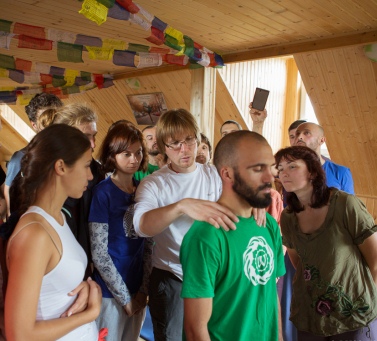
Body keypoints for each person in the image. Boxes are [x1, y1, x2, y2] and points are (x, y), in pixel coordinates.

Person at [134, 108, 266, 340]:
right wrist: (181, 206)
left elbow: (248, 189)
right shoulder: (153, 184)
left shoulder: (214, 174)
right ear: (164, 146)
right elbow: (142, 226)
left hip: (213, 277)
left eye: (189, 141)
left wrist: (256, 201)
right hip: (173, 276)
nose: (184, 150)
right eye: (175, 144)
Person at [181, 131, 286, 341]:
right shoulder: (206, 236)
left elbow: (269, 295)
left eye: (270, 167)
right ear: (227, 174)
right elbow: (195, 330)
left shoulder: (268, 225)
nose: (270, 178)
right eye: (257, 169)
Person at [5, 124, 102, 340]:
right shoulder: (35, 234)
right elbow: (20, 334)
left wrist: (87, 287)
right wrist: (90, 314)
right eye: (86, 166)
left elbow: (55, 281)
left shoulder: (58, 218)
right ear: (61, 167)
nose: (89, 176)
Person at [275, 145, 377, 340]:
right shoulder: (288, 217)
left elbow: (375, 260)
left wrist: (364, 302)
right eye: (279, 169)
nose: (283, 173)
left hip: (353, 316)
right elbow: (300, 263)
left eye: (292, 167)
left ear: (313, 171)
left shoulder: (345, 205)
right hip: (309, 315)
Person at [89, 121, 153, 341]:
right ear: (113, 154)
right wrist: (125, 298)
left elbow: (149, 245)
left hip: (138, 290)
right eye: (126, 154)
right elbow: (99, 253)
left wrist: (143, 291)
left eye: (138, 153)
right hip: (110, 294)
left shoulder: (144, 189)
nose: (134, 159)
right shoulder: (102, 193)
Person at [4, 93, 63, 217]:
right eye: (46, 120)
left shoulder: (70, 154)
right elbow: (12, 212)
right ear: (34, 125)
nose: (54, 125)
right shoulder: (19, 159)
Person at [294, 122, 354, 194]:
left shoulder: (340, 172)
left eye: (306, 133)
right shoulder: (287, 171)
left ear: (321, 140)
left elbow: (348, 203)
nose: (299, 137)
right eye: (297, 133)